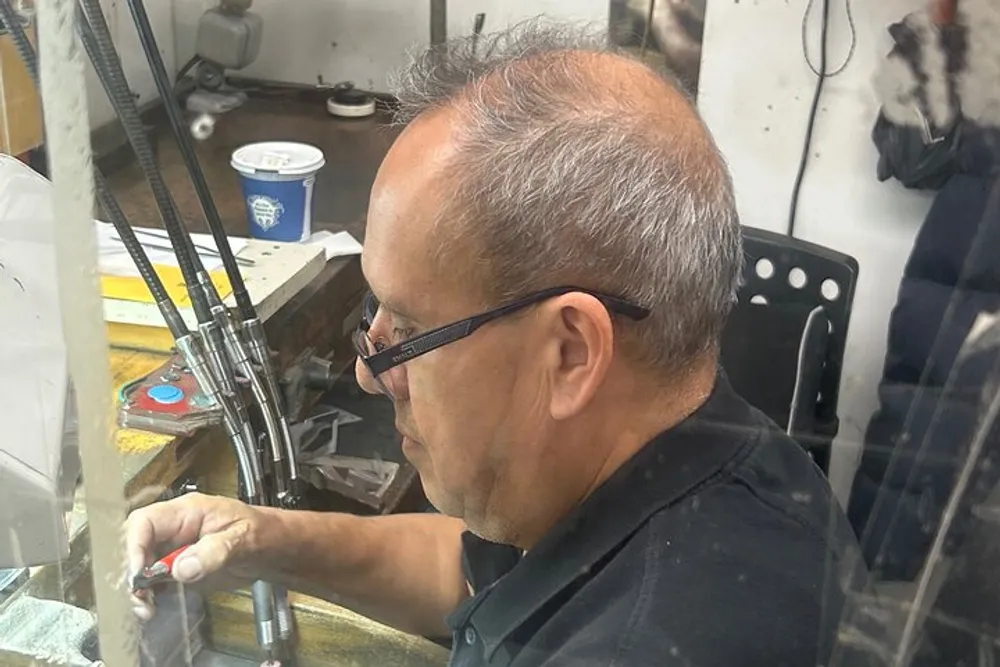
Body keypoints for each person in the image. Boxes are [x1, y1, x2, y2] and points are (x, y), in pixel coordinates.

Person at [126, 21, 866, 667]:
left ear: (571, 353)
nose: (368, 370)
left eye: (407, 330)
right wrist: (260, 537)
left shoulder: (645, 642)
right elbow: (478, 572)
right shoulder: (677, 451)